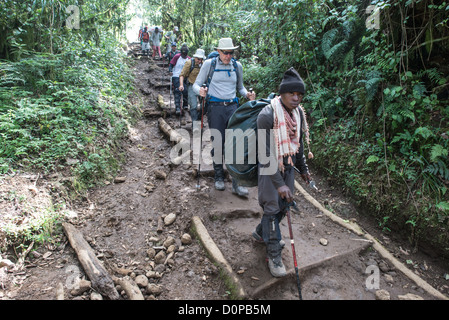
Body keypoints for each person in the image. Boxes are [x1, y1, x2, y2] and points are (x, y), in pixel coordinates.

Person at [254, 67, 311, 277]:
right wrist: (280, 184)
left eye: (299, 94)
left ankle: (261, 234)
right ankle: (274, 254)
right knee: (271, 207)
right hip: (270, 168)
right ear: (282, 94)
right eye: (292, 94)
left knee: (282, 206)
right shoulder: (267, 116)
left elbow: (299, 146)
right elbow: (265, 154)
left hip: (287, 166)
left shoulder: (298, 114)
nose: (296, 98)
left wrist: (303, 169)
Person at [193, 38, 256, 194]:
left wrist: (247, 94)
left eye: (231, 52)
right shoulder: (210, 64)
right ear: (219, 51)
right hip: (215, 108)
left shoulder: (237, 66)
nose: (228, 56)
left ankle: (237, 183)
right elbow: (196, 84)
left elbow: (240, 87)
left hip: (233, 107)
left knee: (237, 144)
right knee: (218, 143)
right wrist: (199, 91)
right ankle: (219, 176)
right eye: (225, 52)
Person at [179, 48, 206, 133]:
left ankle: (199, 120)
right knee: (193, 106)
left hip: (202, 87)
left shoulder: (204, 64)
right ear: (195, 57)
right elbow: (182, 75)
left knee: (204, 106)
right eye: (198, 59)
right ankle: (196, 125)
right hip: (192, 86)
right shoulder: (189, 63)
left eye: (201, 59)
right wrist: (181, 85)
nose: (199, 61)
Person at [170, 44, 190, 115]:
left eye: (185, 54)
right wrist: (170, 71)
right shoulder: (177, 57)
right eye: (183, 54)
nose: (184, 55)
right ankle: (178, 107)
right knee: (177, 90)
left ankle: (185, 105)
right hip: (176, 76)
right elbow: (171, 64)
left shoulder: (189, 59)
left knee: (185, 91)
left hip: (185, 77)